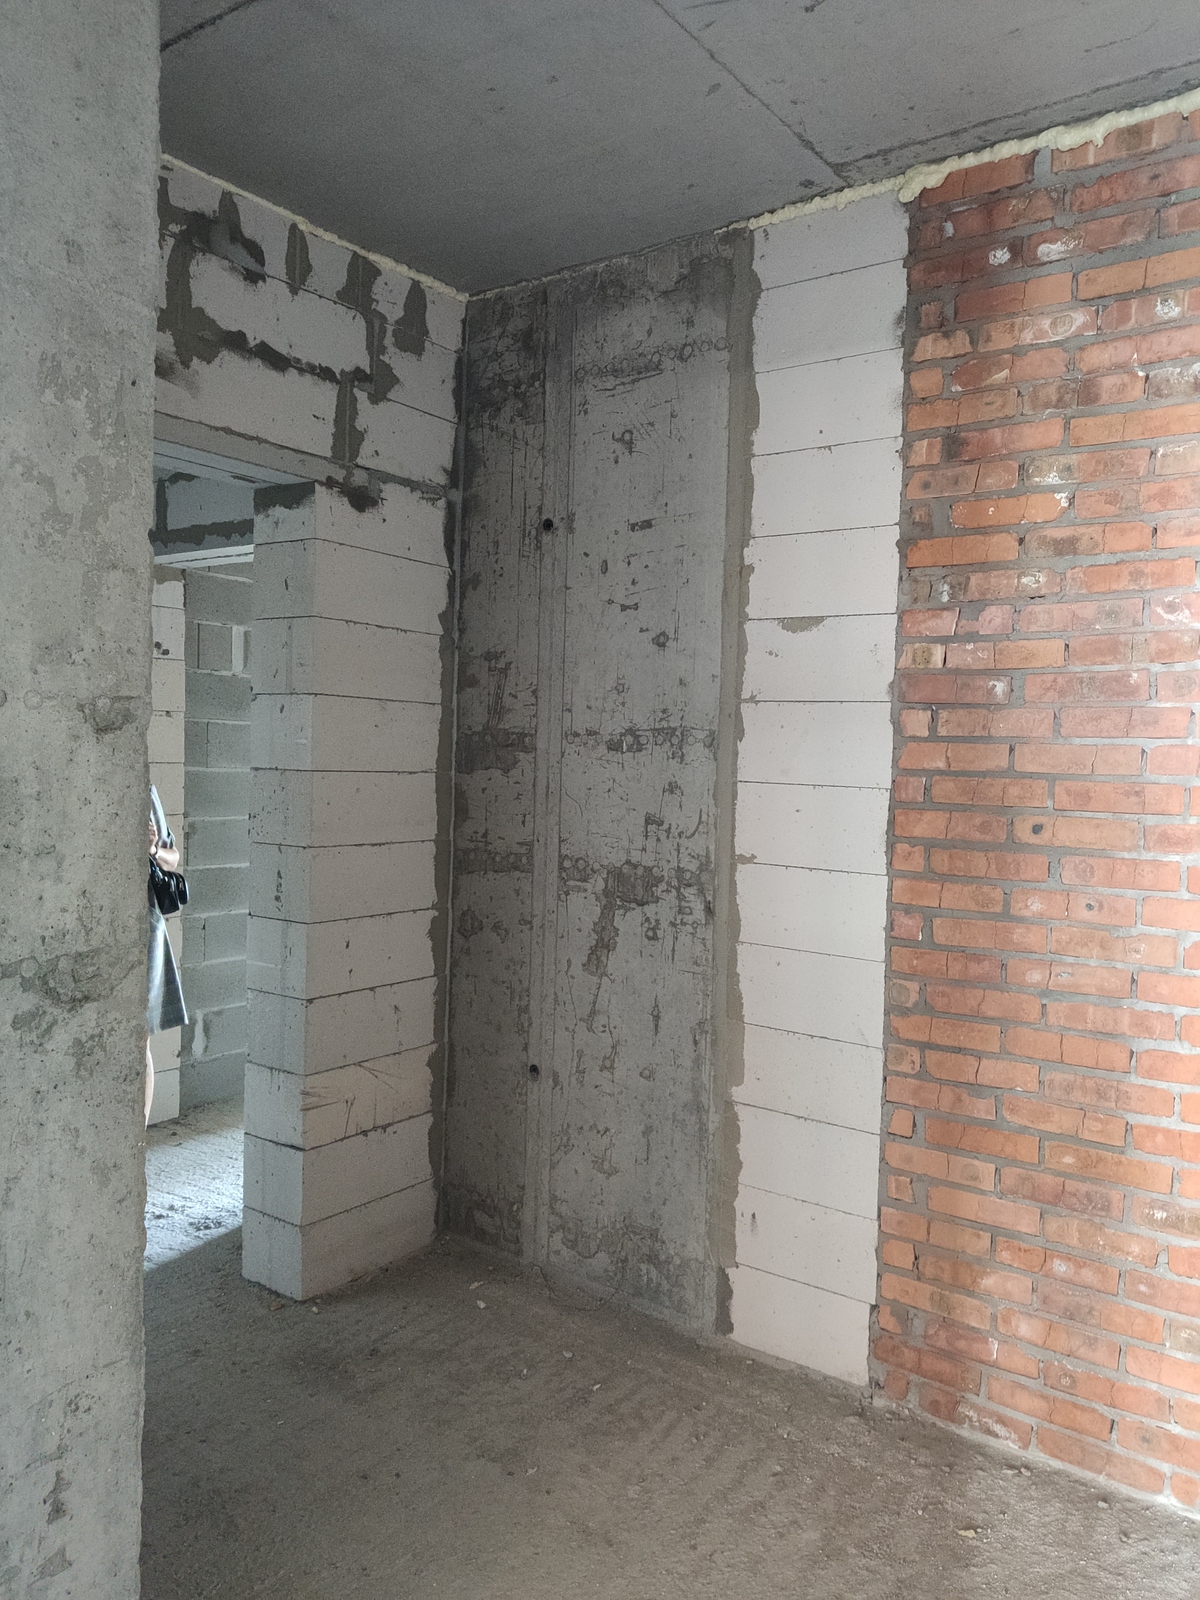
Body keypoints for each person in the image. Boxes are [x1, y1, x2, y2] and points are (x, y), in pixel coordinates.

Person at [146, 784, 188, 1123]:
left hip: (144, 927)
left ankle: (137, 1138)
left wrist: (152, 849)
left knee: (137, 1038)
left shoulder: (145, 790)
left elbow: (172, 858)